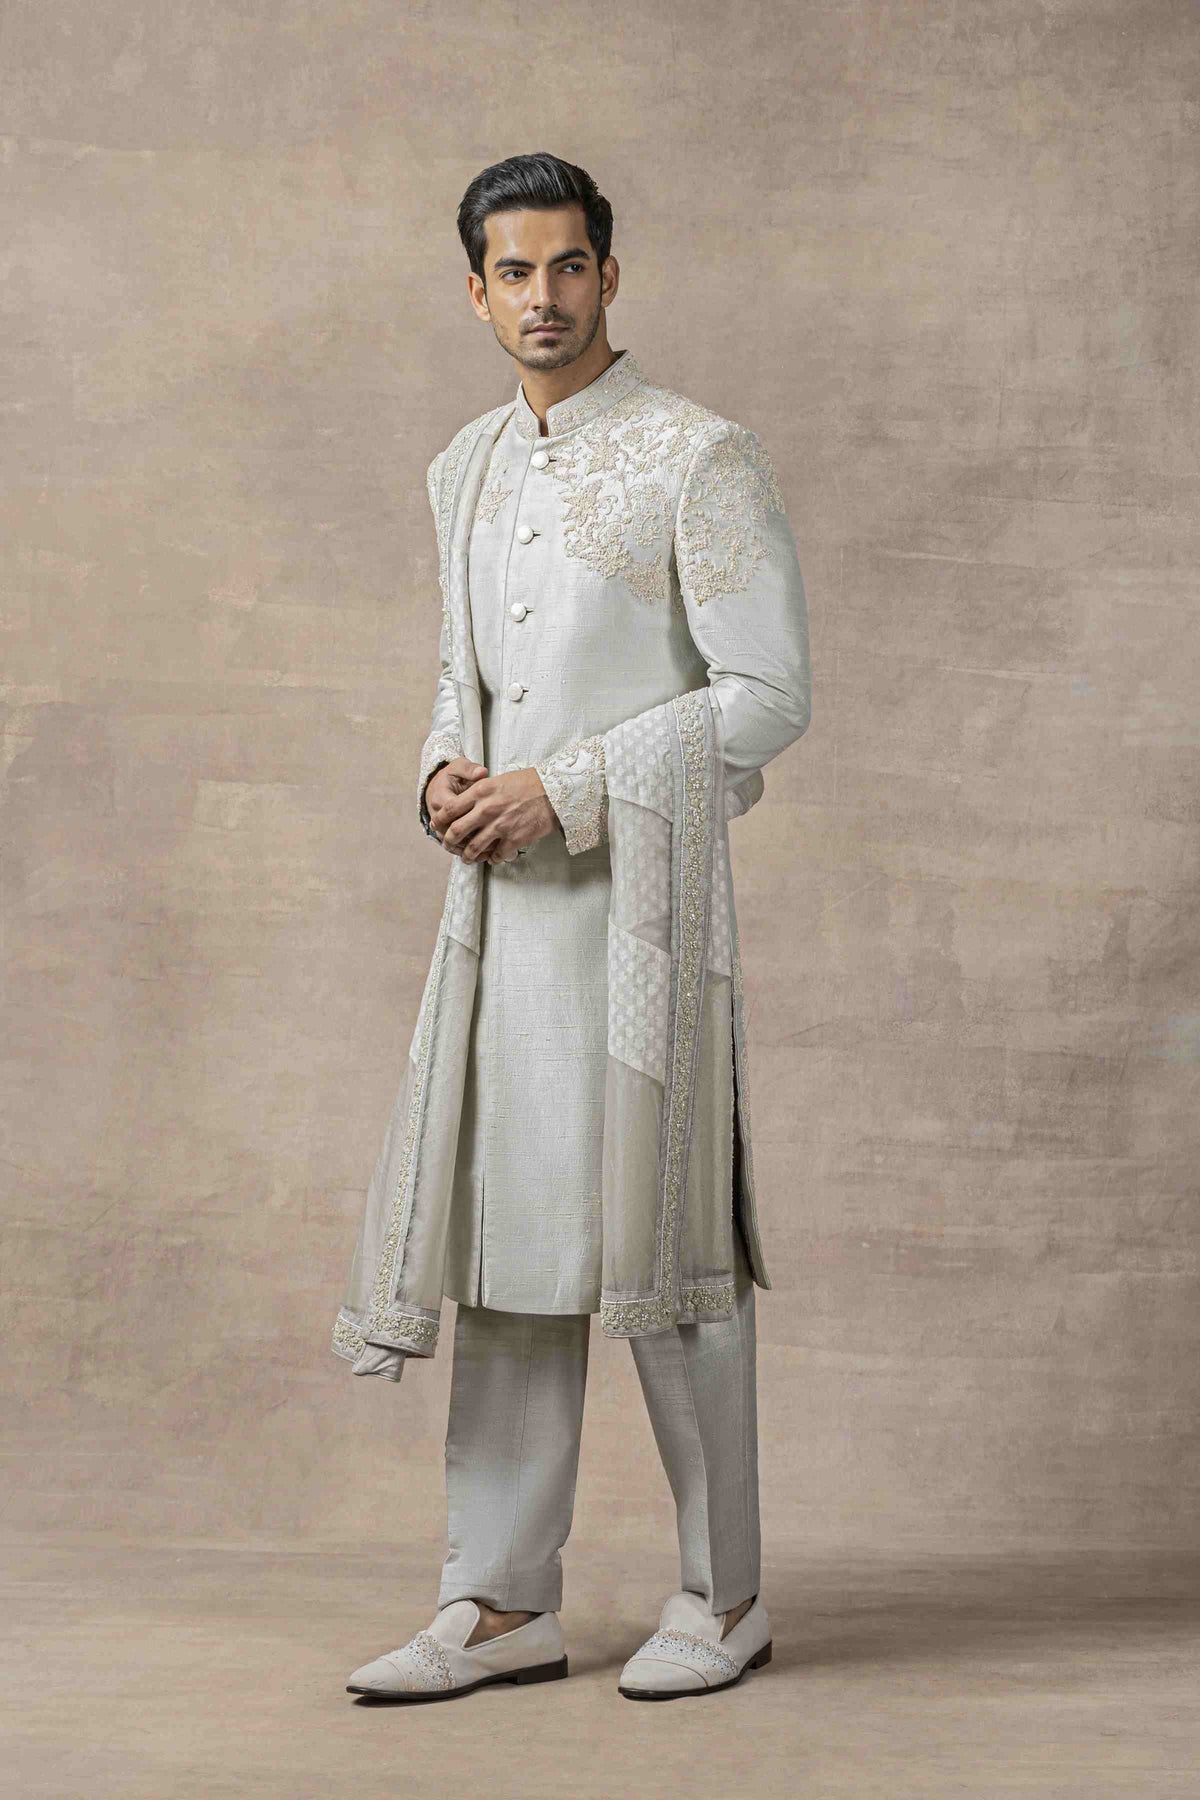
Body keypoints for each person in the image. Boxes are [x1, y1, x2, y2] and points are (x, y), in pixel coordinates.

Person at [334, 150, 811, 1703]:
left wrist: (571, 787)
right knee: (506, 1245)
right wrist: (443, 777)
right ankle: (498, 1604)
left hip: (645, 921)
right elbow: (456, 681)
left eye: (568, 266)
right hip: (501, 927)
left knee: (669, 1255)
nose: (543, 298)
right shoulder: (463, 466)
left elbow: (768, 695)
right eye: (513, 273)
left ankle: (723, 1593)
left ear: (610, 273)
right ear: (476, 293)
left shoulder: (697, 455)